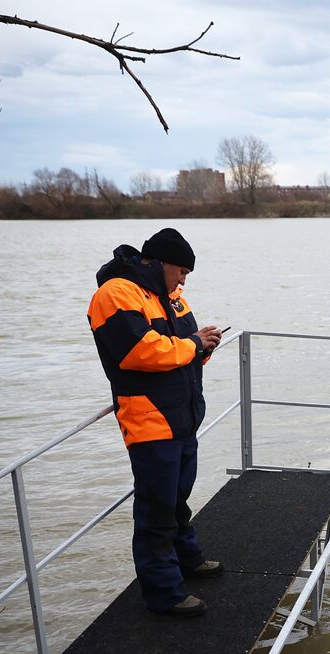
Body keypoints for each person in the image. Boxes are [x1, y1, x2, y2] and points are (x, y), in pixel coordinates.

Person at [88, 228, 225, 616]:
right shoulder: (115, 294)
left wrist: (203, 344)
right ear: (160, 262)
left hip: (182, 415)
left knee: (177, 497)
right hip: (149, 419)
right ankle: (165, 594)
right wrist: (193, 344)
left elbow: (182, 349)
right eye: (181, 271)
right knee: (156, 509)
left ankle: (187, 560)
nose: (183, 280)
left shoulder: (172, 298)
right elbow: (137, 352)